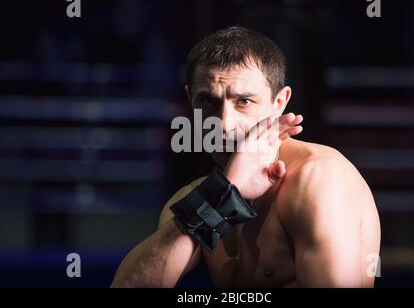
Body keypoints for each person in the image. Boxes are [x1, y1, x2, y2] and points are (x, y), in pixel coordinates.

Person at [111, 26, 381, 288]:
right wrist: (224, 193)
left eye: (244, 102)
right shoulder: (194, 199)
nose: (225, 124)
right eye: (208, 101)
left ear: (279, 103)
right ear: (190, 100)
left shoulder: (319, 179)